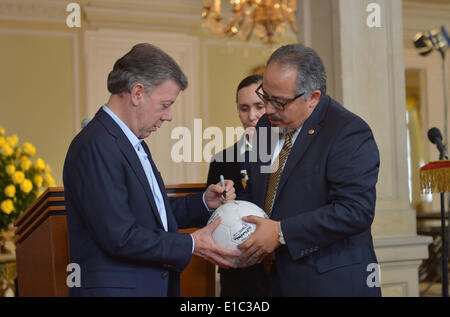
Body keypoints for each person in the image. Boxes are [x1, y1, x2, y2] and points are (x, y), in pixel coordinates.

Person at [63, 43, 238, 297]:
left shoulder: (131, 143)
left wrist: (204, 203)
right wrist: (191, 244)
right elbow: (120, 236)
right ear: (137, 93)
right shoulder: (96, 145)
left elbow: (152, 217)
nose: (168, 116)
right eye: (165, 104)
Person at [237, 44, 382, 296]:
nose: (268, 109)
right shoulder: (264, 126)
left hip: (329, 284)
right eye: (265, 96)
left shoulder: (348, 132)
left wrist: (282, 232)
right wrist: (234, 203)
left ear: (312, 98)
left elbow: (355, 211)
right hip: (270, 282)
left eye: (279, 102)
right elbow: (261, 194)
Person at [206, 74, 266, 296]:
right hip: (237, 273)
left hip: (281, 270)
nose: (252, 116)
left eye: (259, 106)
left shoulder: (291, 154)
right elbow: (210, 218)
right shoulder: (221, 160)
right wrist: (221, 205)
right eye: (244, 108)